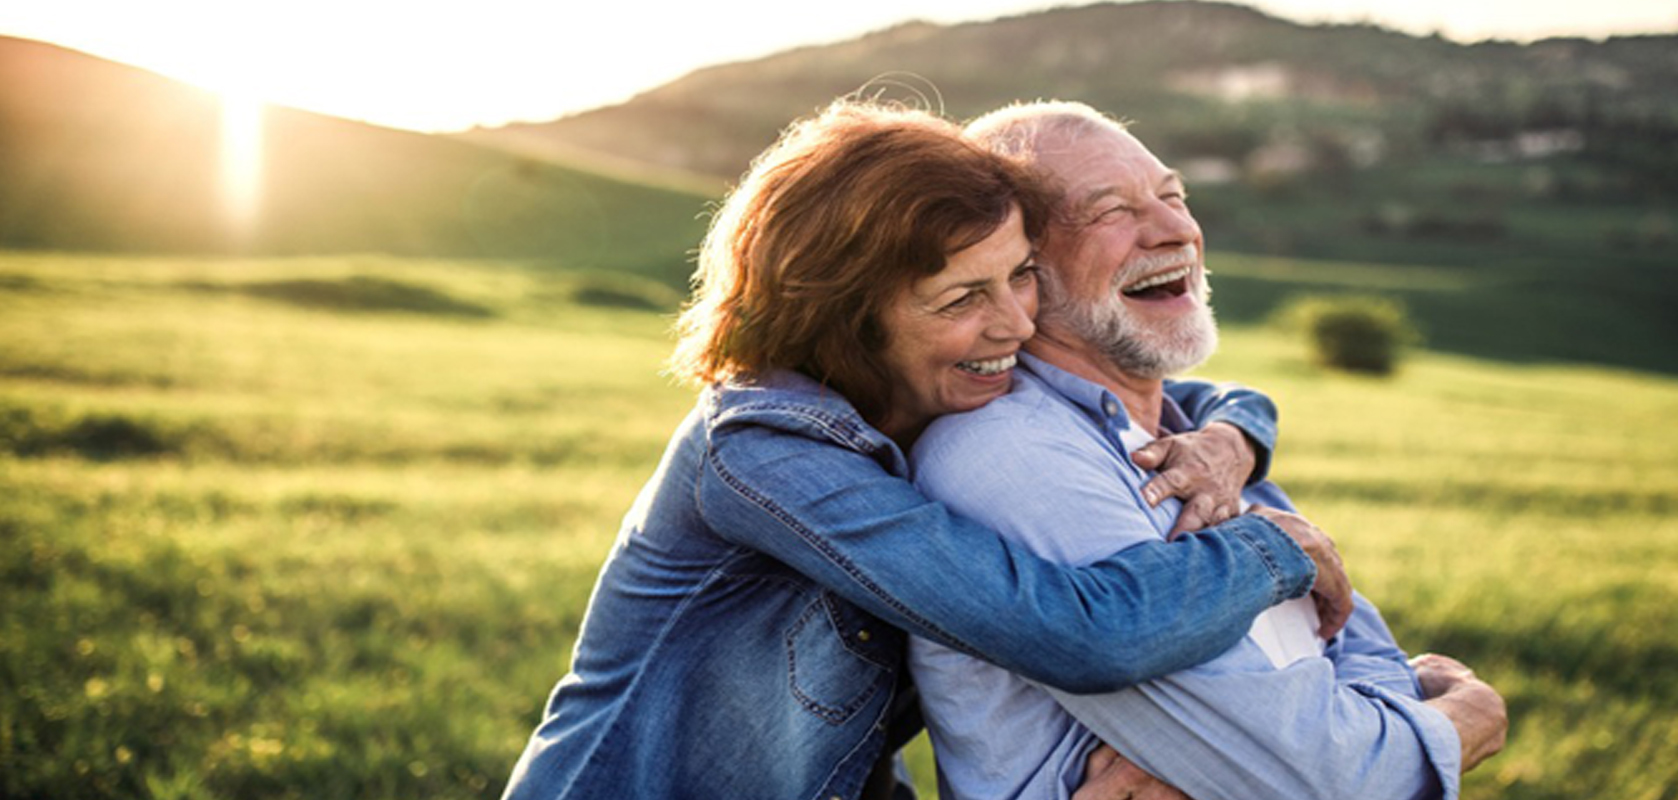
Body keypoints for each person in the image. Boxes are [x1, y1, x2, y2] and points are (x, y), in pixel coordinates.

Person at [498, 99, 1359, 800]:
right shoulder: (763, 454)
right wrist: (1272, 547)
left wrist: (1230, 441)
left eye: (1020, 273)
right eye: (961, 299)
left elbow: (1196, 397)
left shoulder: (934, 388)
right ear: (845, 315)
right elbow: (1077, 635)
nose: (1017, 323)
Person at [907, 101, 1509, 800]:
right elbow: (1329, 778)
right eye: (1110, 212)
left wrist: (1368, 717)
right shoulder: (1012, 459)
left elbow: (1347, 641)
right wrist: (1470, 714)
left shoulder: (1201, 446)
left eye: (1173, 195)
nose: (1176, 230)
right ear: (1016, 267)